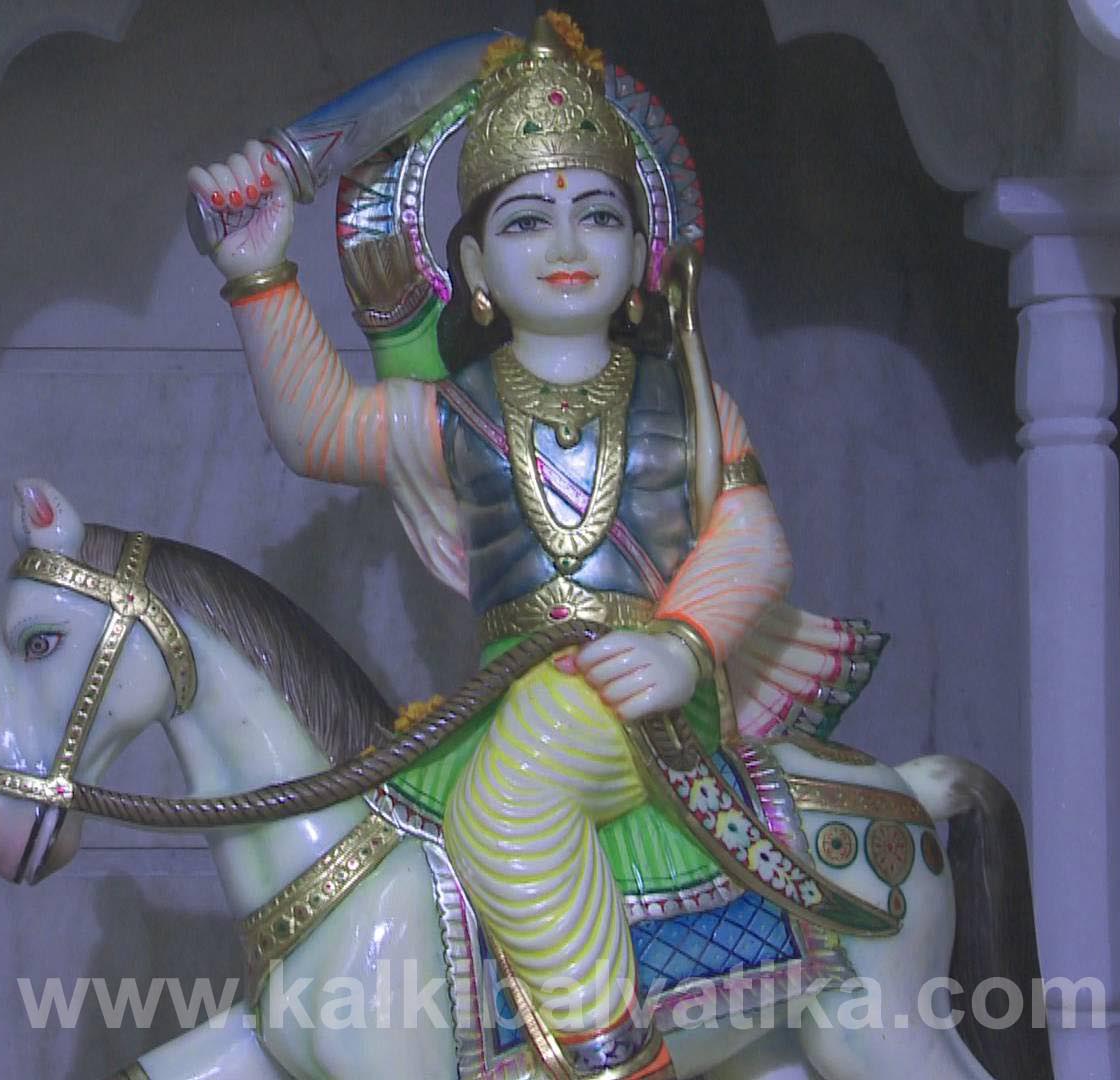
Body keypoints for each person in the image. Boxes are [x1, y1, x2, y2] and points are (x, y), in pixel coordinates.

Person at [189, 14, 791, 1077]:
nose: (565, 247)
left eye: (597, 215)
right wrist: (260, 272)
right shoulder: (452, 414)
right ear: (471, 261)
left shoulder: (689, 402)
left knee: (508, 816)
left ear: (643, 253)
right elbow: (319, 429)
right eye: (525, 222)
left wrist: (683, 645)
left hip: (642, 697)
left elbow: (748, 533)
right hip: (508, 701)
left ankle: (615, 1061)